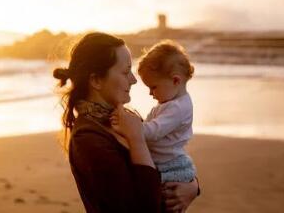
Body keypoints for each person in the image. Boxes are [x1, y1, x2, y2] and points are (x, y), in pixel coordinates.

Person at [53, 32, 199, 213]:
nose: (134, 79)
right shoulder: (89, 139)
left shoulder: (122, 117)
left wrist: (192, 186)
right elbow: (143, 207)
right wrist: (136, 139)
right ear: (96, 80)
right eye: (125, 71)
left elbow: (166, 156)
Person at [137, 40, 197, 183]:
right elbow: (149, 123)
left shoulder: (178, 108)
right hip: (162, 160)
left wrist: (131, 126)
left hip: (170, 165)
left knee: (157, 187)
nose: (150, 93)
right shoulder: (169, 103)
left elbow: (153, 131)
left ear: (175, 81)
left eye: (153, 87)